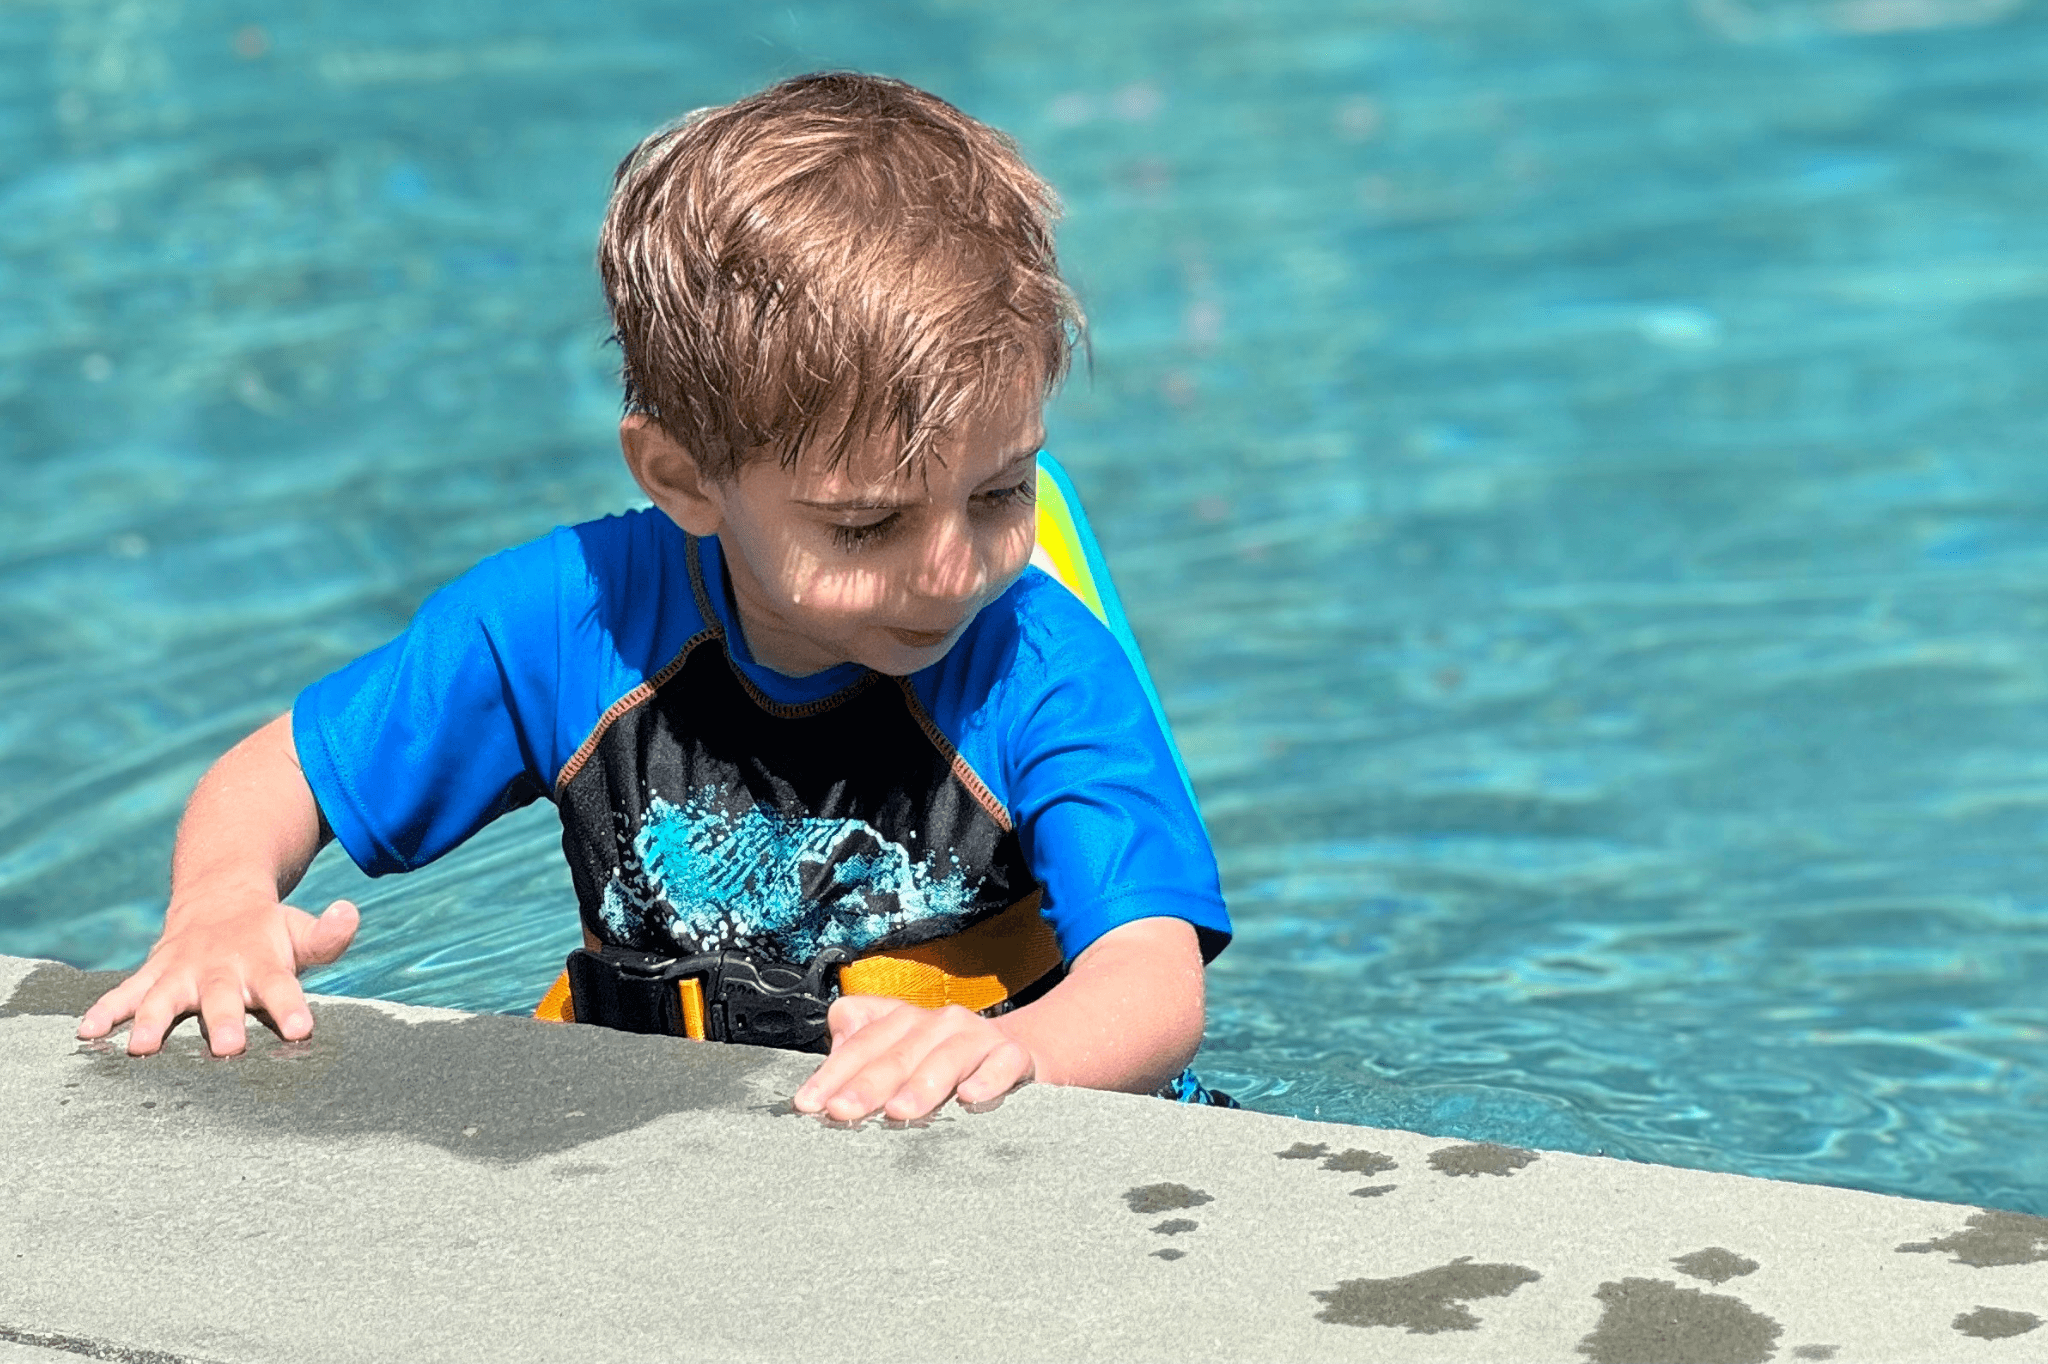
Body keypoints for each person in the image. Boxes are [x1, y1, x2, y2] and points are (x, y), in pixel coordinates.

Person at [78, 72, 1232, 1123]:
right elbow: (276, 772)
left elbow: (1151, 979)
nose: (953, 567)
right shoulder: (573, 619)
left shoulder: (1034, 660)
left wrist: (1011, 1052)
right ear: (683, 476)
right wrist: (221, 906)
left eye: (999, 490)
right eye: (866, 522)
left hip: (1004, 1134)